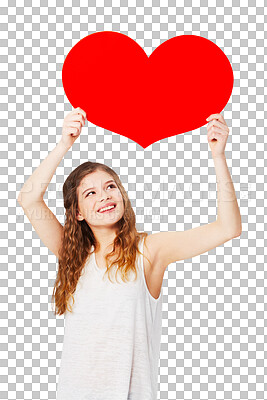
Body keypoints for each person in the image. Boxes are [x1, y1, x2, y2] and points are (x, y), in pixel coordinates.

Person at [17, 107, 242, 400]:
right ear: (78, 214)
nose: (105, 196)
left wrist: (218, 156)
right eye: (90, 194)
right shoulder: (74, 256)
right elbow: (28, 197)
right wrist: (64, 144)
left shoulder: (148, 251)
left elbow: (228, 228)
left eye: (110, 186)